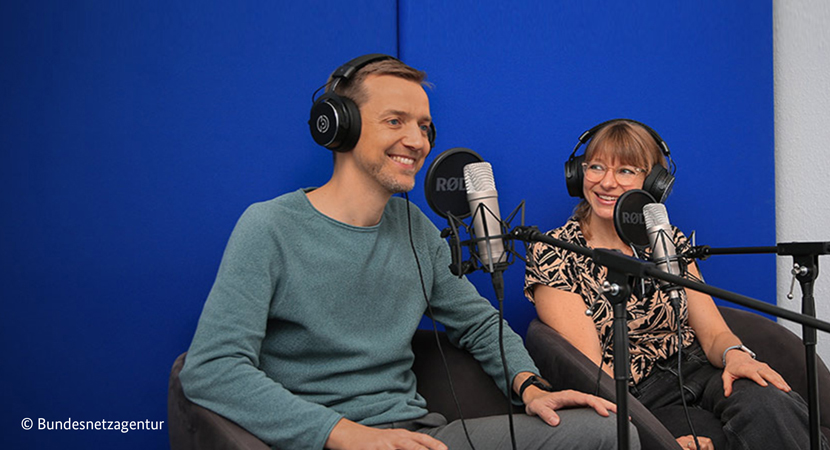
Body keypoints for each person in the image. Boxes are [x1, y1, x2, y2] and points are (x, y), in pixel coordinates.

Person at [180, 54, 639, 450]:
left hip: (424, 437)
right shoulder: (269, 227)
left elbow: (478, 322)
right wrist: (344, 433)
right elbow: (211, 369)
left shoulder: (415, 228)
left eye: (424, 127)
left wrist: (529, 386)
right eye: (395, 121)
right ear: (340, 125)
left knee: (612, 433)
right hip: (331, 440)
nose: (418, 141)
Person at [524, 119, 823, 450]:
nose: (606, 182)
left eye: (625, 171)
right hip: (639, 393)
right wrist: (651, 435)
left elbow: (713, 334)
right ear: (578, 174)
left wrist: (735, 355)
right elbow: (595, 372)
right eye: (595, 167)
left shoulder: (668, 241)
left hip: (698, 368)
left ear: (653, 183)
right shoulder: (555, 251)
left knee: (771, 403)